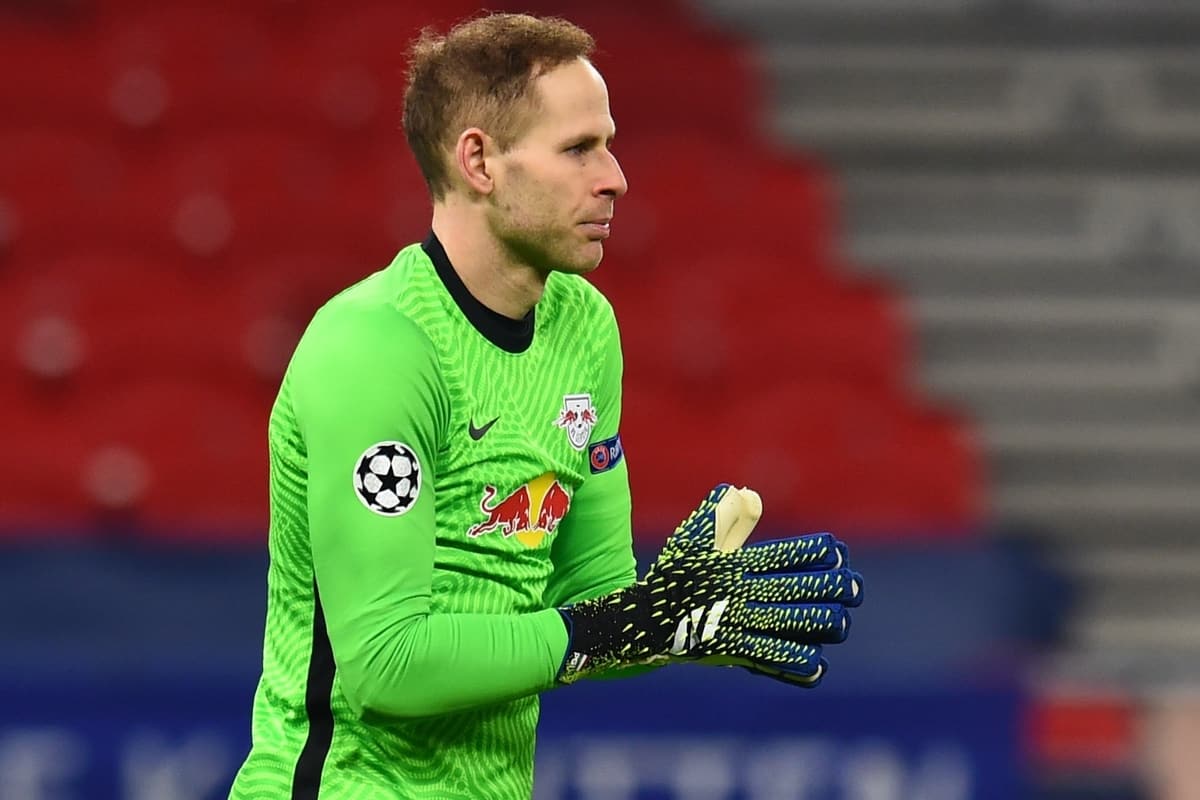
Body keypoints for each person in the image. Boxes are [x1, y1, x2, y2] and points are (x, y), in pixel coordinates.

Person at [228, 12, 861, 800]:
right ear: (479, 161)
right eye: (577, 149)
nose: (616, 175)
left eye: (609, 142)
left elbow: (589, 610)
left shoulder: (585, 329)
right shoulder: (375, 349)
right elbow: (385, 664)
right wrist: (608, 628)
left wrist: (673, 614)